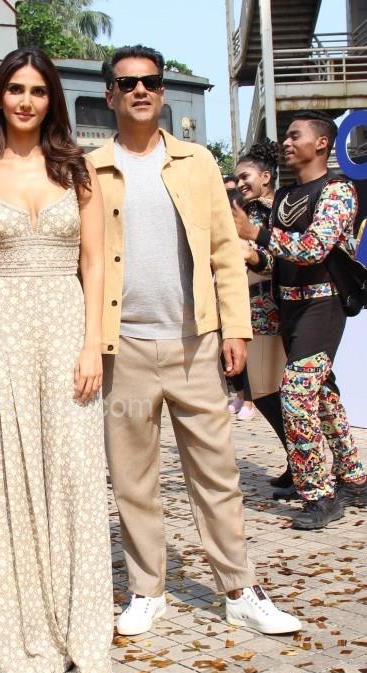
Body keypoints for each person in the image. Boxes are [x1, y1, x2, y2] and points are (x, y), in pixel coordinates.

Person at [91, 44, 301, 637]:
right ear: (110, 95)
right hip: (123, 348)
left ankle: (240, 589)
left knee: (216, 472)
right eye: (127, 82)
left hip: (195, 343)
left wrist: (235, 327)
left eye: (150, 81)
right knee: (132, 478)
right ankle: (146, 590)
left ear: (161, 92)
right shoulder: (91, 169)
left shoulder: (198, 162)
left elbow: (223, 253)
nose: (139, 90)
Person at [0, 47, 114, 673]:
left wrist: (93, 344)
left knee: (75, 479)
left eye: (38, 90)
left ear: (53, 100)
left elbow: (95, 264)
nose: (26, 100)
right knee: (8, 485)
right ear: (0, 97)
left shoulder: (79, 170)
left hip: (67, 330)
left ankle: (83, 634)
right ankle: (26, 638)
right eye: (16, 89)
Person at [233, 110, 367, 529]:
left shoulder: (338, 190)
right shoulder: (287, 197)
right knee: (322, 396)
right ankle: (355, 478)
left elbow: (313, 248)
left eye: (295, 136)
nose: (286, 143)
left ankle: (319, 494)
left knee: (295, 395)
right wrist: (253, 255)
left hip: (323, 305)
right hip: (288, 307)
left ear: (322, 143)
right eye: (286, 137)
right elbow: (277, 258)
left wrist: (256, 235)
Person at [233, 139, 294, 497]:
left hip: (278, 308)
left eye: (246, 176)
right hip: (255, 310)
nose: (241, 183)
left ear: (266, 177)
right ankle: (298, 460)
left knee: (279, 391)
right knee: (265, 390)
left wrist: (251, 254)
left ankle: (306, 464)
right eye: (238, 178)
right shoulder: (249, 211)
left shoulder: (278, 210)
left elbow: (274, 256)